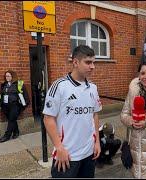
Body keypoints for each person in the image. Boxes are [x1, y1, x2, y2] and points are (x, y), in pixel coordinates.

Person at [43, 45, 102, 178]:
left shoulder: (93, 87)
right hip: (67, 155)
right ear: (75, 62)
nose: (92, 66)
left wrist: (97, 142)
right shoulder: (59, 86)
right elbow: (48, 118)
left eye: (93, 62)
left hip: (89, 153)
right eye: (88, 62)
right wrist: (59, 148)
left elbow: (95, 115)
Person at [0, 70, 29, 143]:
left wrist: (24, 105)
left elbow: (25, 95)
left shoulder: (18, 84)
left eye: (8, 76)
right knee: (12, 120)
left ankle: (7, 135)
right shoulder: (4, 85)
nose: (7, 77)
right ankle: (16, 132)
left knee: (11, 119)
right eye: (6, 76)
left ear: (13, 76)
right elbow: (1, 95)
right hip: (6, 106)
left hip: (15, 105)